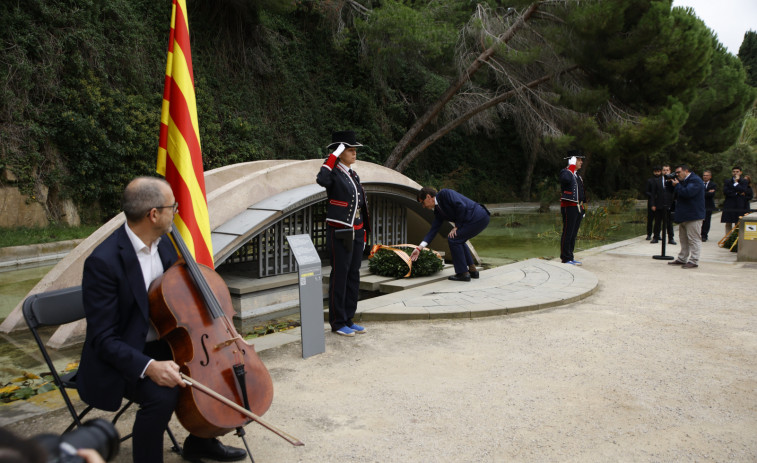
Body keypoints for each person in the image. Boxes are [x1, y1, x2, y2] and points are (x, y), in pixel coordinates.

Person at [77, 177, 246, 463]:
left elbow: (186, 301)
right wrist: (149, 367)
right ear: (153, 214)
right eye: (173, 207)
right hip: (123, 353)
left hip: (162, 341)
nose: (176, 212)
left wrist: (223, 332)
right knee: (162, 394)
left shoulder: (165, 244)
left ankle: (201, 442)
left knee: (219, 374)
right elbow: (103, 339)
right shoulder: (103, 262)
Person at [316, 130, 371, 337]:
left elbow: (361, 204)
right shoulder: (333, 172)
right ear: (340, 152)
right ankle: (338, 322)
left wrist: (364, 230)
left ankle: (349, 317)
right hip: (340, 230)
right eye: (350, 149)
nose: (354, 153)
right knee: (340, 275)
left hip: (356, 231)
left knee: (353, 274)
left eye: (355, 149)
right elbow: (321, 179)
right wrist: (333, 154)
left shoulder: (351, 173)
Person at [410, 186, 490, 281]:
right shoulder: (438, 212)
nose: (423, 206)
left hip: (478, 215)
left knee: (453, 239)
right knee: (459, 239)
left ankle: (463, 273)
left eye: (422, 202)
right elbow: (433, 230)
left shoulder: (445, 194)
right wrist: (419, 248)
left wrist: (457, 226)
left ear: (428, 197)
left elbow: (461, 206)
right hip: (475, 219)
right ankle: (472, 270)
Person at [667, 165, 705, 269]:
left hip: (693, 215)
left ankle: (694, 260)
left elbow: (688, 193)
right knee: (683, 239)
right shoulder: (683, 181)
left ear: (686, 171)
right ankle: (682, 258)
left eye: (679, 172)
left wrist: (677, 185)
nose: (677, 174)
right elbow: (676, 192)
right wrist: (671, 183)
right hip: (684, 215)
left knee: (694, 239)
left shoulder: (695, 180)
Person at [558, 150, 586, 265]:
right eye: (579, 160)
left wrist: (583, 209)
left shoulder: (577, 176)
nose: (581, 162)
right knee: (567, 232)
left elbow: (582, 194)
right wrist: (571, 166)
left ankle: (570, 256)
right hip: (568, 207)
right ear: (572, 160)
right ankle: (565, 258)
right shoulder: (565, 172)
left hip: (577, 208)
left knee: (574, 233)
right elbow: (565, 180)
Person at [721, 166, 749, 235]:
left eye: (737, 172)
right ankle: (727, 239)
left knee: (738, 223)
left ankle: (737, 240)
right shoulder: (727, 181)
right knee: (728, 223)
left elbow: (743, 190)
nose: (735, 173)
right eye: (734, 172)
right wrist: (737, 193)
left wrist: (736, 183)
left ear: (740, 172)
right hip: (729, 204)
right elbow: (726, 192)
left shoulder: (744, 181)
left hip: (740, 205)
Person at [646, 166, 664, 243]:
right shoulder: (650, 181)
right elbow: (646, 191)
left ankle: (657, 234)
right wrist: (653, 196)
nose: (657, 173)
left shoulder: (662, 180)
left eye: (658, 171)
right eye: (655, 171)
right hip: (651, 201)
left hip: (660, 202)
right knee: (650, 219)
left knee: (658, 220)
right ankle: (649, 234)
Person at [661, 164, 676, 245]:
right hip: (659, 203)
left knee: (669, 222)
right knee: (658, 220)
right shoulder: (658, 180)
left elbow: (675, 191)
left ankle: (671, 238)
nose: (665, 171)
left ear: (670, 171)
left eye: (667, 170)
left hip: (669, 203)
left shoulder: (673, 180)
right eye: (664, 170)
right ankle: (656, 237)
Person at [701, 170, 717, 242]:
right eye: (704, 175)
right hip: (700, 205)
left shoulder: (713, 185)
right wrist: (707, 192)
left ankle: (704, 235)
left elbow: (711, 195)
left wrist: (704, 193)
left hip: (708, 205)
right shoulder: (699, 184)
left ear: (710, 176)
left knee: (707, 221)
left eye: (707, 175)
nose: (705, 177)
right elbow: (698, 193)